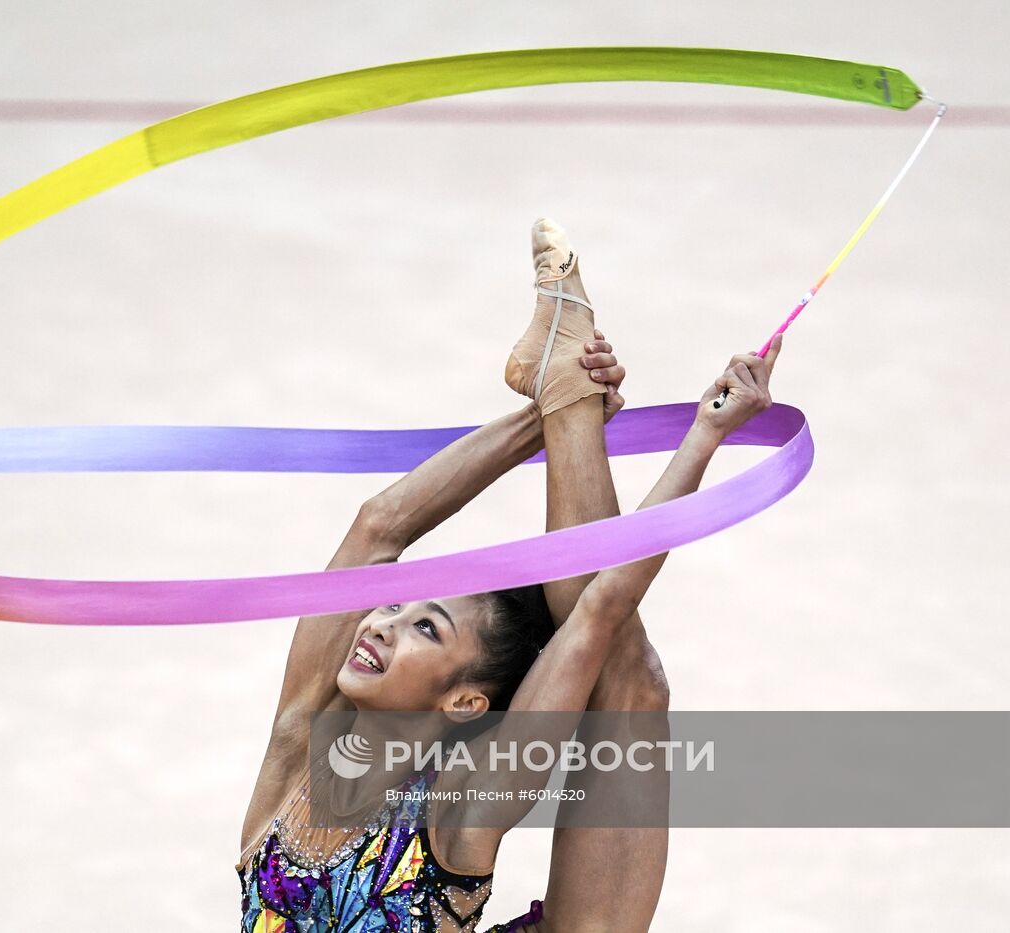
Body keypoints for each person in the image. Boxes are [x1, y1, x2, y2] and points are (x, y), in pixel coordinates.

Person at [238, 219, 782, 932]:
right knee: (625, 671)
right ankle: (566, 394)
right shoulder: (294, 753)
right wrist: (546, 416)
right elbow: (378, 526)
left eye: (424, 627)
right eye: (398, 607)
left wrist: (704, 434)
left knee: (628, 682)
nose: (380, 622)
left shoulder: (457, 807)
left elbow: (603, 609)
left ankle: (569, 401)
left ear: (466, 701)